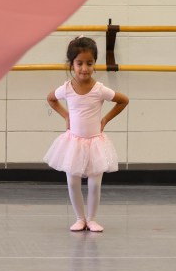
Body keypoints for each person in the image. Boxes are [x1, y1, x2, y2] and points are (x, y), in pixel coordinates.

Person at [44, 36, 129, 232]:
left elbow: (124, 100)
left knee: (94, 184)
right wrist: (66, 116)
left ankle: (92, 218)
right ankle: (79, 218)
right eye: (80, 63)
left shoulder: (99, 90)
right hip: (73, 142)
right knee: (73, 181)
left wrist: (105, 119)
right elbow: (50, 99)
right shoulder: (66, 88)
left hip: (94, 143)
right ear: (72, 64)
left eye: (89, 63)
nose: (84, 68)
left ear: (94, 64)